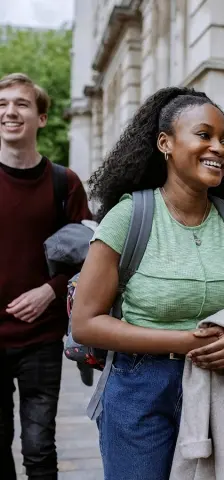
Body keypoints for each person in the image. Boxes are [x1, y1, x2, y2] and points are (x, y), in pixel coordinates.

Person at [70, 87, 224, 480]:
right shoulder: (130, 216)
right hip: (139, 390)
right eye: (204, 135)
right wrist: (183, 342)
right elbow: (86, 323)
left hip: (217, 391)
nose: (219, 148)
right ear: (165, 143)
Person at [0, 73, 91, 479]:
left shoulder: (64, 183)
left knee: (38, 448)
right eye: (2, 105)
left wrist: (50, 291)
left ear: (41, 118)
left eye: (20, 103)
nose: (9, 112)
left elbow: (92, 257)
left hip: (40, 338)